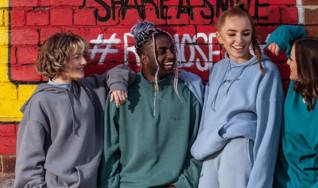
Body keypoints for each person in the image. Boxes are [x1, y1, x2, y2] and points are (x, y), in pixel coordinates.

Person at [15, 32, 132, 188]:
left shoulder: (91, 88)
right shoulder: (41, 102)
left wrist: (117, 84)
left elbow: (121, 70)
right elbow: (28, 160)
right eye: (77, 57)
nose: (84, 61)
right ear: (59, 60)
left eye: (83, 56)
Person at [190, 4, 284, 188]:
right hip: (211, 151)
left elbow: (269, 130)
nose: (239, 40)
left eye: (246, 33)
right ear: (220, 37)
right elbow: (208, 116)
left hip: (240, 150)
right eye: (232, 34)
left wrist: (260, 182)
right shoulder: (218, 69)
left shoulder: (266, 71)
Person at [99, 21, 203, 188]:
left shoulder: (187, 93)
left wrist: (183, 184)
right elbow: (110, 151)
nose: (171, 55)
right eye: (162, 51)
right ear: (144, 58)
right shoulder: (121, 93)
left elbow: (198, 146)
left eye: (172, 49)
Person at [266, 25, 318, 188]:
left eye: (291, 59)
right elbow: (297, 32)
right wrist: (279, 37)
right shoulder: (298, 86)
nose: (287, 61)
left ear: (306, 69)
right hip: (279, 180)